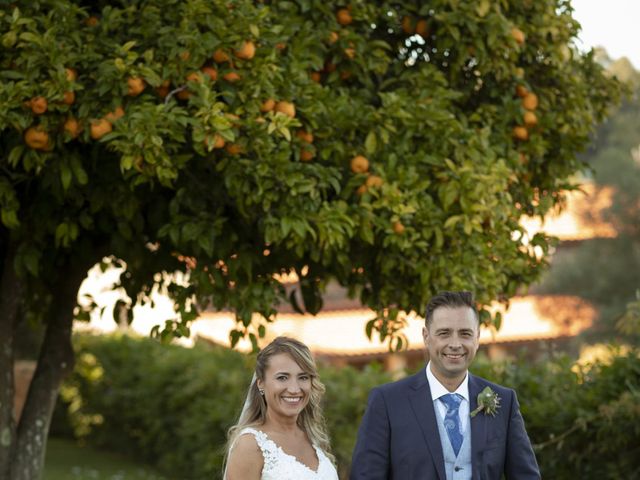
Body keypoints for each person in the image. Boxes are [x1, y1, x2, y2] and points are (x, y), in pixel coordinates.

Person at [351, 291, 540, 479]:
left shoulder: (504, 402)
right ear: (426, 336)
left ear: (477, 338)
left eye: (465, 334)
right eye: (444, 333)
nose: (455, 344)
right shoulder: (387, 402)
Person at [224, 336, 338, 480]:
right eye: (282, 377)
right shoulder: (250, 445)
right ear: (261, 384)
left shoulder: (313, 438)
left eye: (303, 377)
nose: (294, 389)